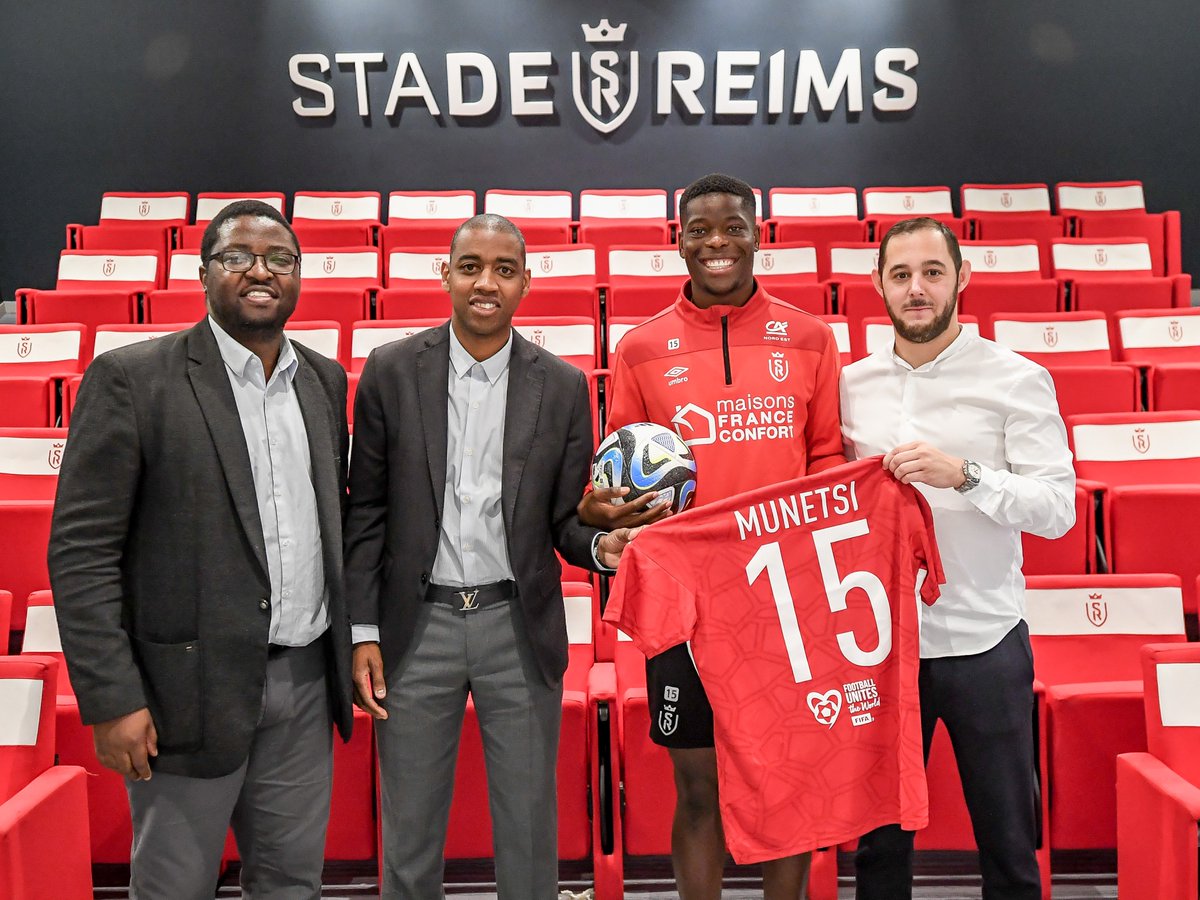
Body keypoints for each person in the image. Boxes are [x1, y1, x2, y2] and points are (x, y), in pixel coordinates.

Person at [47, 199, 354, 898]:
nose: (260, 271)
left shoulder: (323, 381)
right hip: (183, 693)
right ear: (203, 272)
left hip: (304, 684)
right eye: (238, 256)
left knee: (290, 884)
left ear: (299, 275)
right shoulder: (133, 379)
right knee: (173, 887)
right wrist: (111, 698)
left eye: (279, 258)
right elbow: (81, 552)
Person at [344, 213, 635, 899]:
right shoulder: (391, 371)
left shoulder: (561, 387)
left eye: (504, 269)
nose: (486, 282)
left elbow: (564, 522)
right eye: (471, 265)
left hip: (517, 625)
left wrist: (600, 546)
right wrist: (362, 629)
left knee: (529, 835)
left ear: (526, 283)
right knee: (409, 836)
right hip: (417, 628)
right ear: (445, 274)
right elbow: (368, 514)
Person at [586, 173, 845, 899]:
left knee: (784, 787)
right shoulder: (641, 348)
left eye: (732, 226)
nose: (716, 242)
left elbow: (827, 460)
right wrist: (618, 520)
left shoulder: (809, 337)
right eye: (699, 229)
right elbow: (617, 478)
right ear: (678, 240)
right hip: (687, 609)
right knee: (697, 790)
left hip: (786, 602)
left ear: (758, 234)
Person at [841, 217, 1076, 900]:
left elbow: (1057, 510)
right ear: (879, 285)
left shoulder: (1017, 380)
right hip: (881, 650)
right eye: (902, 275)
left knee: (1007, 845)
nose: (918, 289)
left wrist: (968, 476)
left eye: (933, 273)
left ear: (961, 279)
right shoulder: (849, 386)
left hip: (987, 643)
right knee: (879, 854)